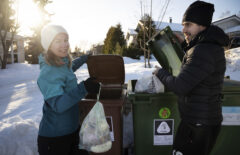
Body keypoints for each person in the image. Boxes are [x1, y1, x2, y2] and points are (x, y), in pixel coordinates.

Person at [153, 1, 229, 155]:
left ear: (202, 26)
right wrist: (185, 45)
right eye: (183, 25)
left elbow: (180, 86)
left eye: (188, 25)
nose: (184, 30)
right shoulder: (209, 46)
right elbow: (195, 67)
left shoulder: (203, 51)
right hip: (202, 121)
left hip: (198, 124)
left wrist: (160, 72)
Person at [37, 24, 100, 155]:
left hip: (72, 131)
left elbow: (69, 69)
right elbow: (59, 105)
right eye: (58, 41)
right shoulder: (48, 71)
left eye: (66, 40)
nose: (64, 45)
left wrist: (84, 58)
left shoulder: (62, 63)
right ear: (49, 45)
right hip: (55, 140)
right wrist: (84, 88)